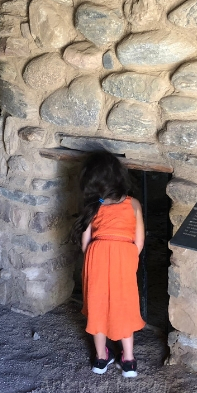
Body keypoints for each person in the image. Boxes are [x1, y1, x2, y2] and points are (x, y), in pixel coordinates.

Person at [70, 150, 146, 378]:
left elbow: (86, 242)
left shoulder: (95, 205)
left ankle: (101, 359)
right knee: (124, 304)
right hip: (124, 255)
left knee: (97, 304)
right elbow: (139, 241)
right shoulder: (133, 204)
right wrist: (126, 258)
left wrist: (96, 258)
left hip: (98, 254)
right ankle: (129, 361)